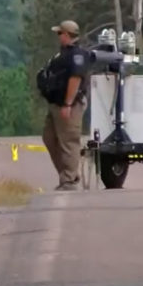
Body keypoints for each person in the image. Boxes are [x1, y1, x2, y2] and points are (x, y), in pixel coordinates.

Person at [37, 19, 89, 191]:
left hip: (69, 105)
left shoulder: (77, 55)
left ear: (66, 34)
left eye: (59, 33)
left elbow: (75, 78)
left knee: (69, 141)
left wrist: (68, 104)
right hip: (55, 104)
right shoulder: (61, 55)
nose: (58, 36)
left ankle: (69, 180)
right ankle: (67, 173)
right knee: (49, 138)